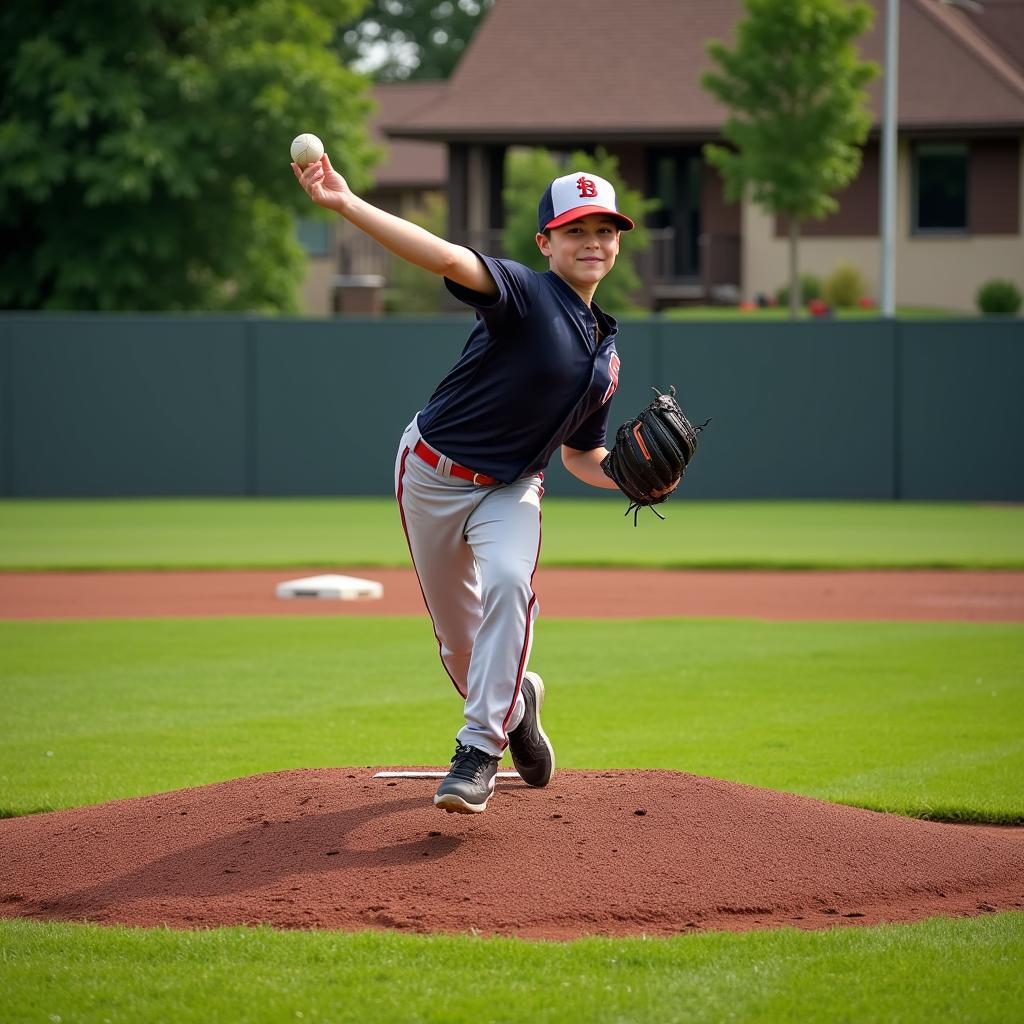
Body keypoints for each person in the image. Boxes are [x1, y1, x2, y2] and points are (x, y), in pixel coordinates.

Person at [294, 153, 664, 815]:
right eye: (577, 230)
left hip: (512, 489)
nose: (594, 243)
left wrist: (628, 480)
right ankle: (516, 706)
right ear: (545, 242)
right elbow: (444, 256)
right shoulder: (522, 292)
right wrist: (347, 205)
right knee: (459, 644)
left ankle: (477, 753)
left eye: (606, 231)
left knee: (508, 586)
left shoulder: (606, 355)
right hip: (431, 473)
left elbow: (583, 453)